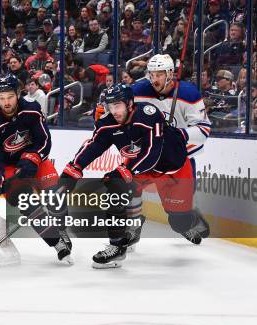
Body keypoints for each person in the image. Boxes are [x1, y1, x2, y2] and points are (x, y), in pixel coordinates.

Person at [57, 83, 210, 269]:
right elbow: (94, 146)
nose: (114, 111)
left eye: (118, 105)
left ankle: (190, 219)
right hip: (141, 167)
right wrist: (73, 169)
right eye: (110, 106)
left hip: (172, 168)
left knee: (179, 223)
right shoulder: (108, 122)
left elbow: (153, 152)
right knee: (115, 188)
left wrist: (125, 171)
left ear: (130, 103)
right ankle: (117, 246)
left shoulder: (148, 114)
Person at [0, 74, 72, 264]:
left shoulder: (32, 109)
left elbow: (44, 140)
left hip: (33, 159)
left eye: (10, 97)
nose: (6, 102)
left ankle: (62, 228)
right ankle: (56, 242)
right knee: (28, 204)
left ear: (18, 94)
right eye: (1, 97)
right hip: (8, 167)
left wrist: (32, 158)